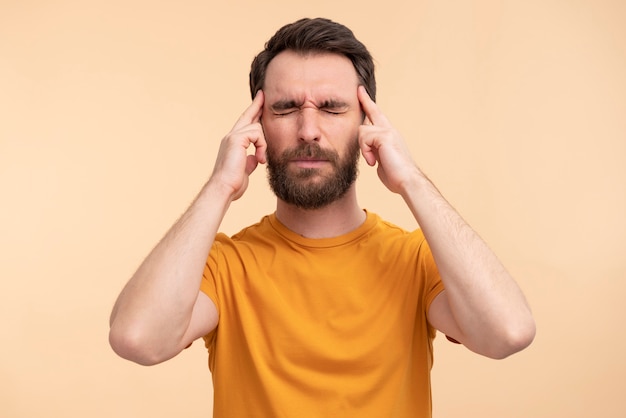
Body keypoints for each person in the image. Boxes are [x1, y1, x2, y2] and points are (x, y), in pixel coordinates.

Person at [109, 17, 535, 417]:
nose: (308, 129)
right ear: (256, 126)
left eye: (332, 108)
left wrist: (412, 181)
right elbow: (138, 340)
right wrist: (219, 186)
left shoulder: (415, 260)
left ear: (367, 123)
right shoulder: (224, 266)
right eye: (285, 108)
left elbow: (507, 334)